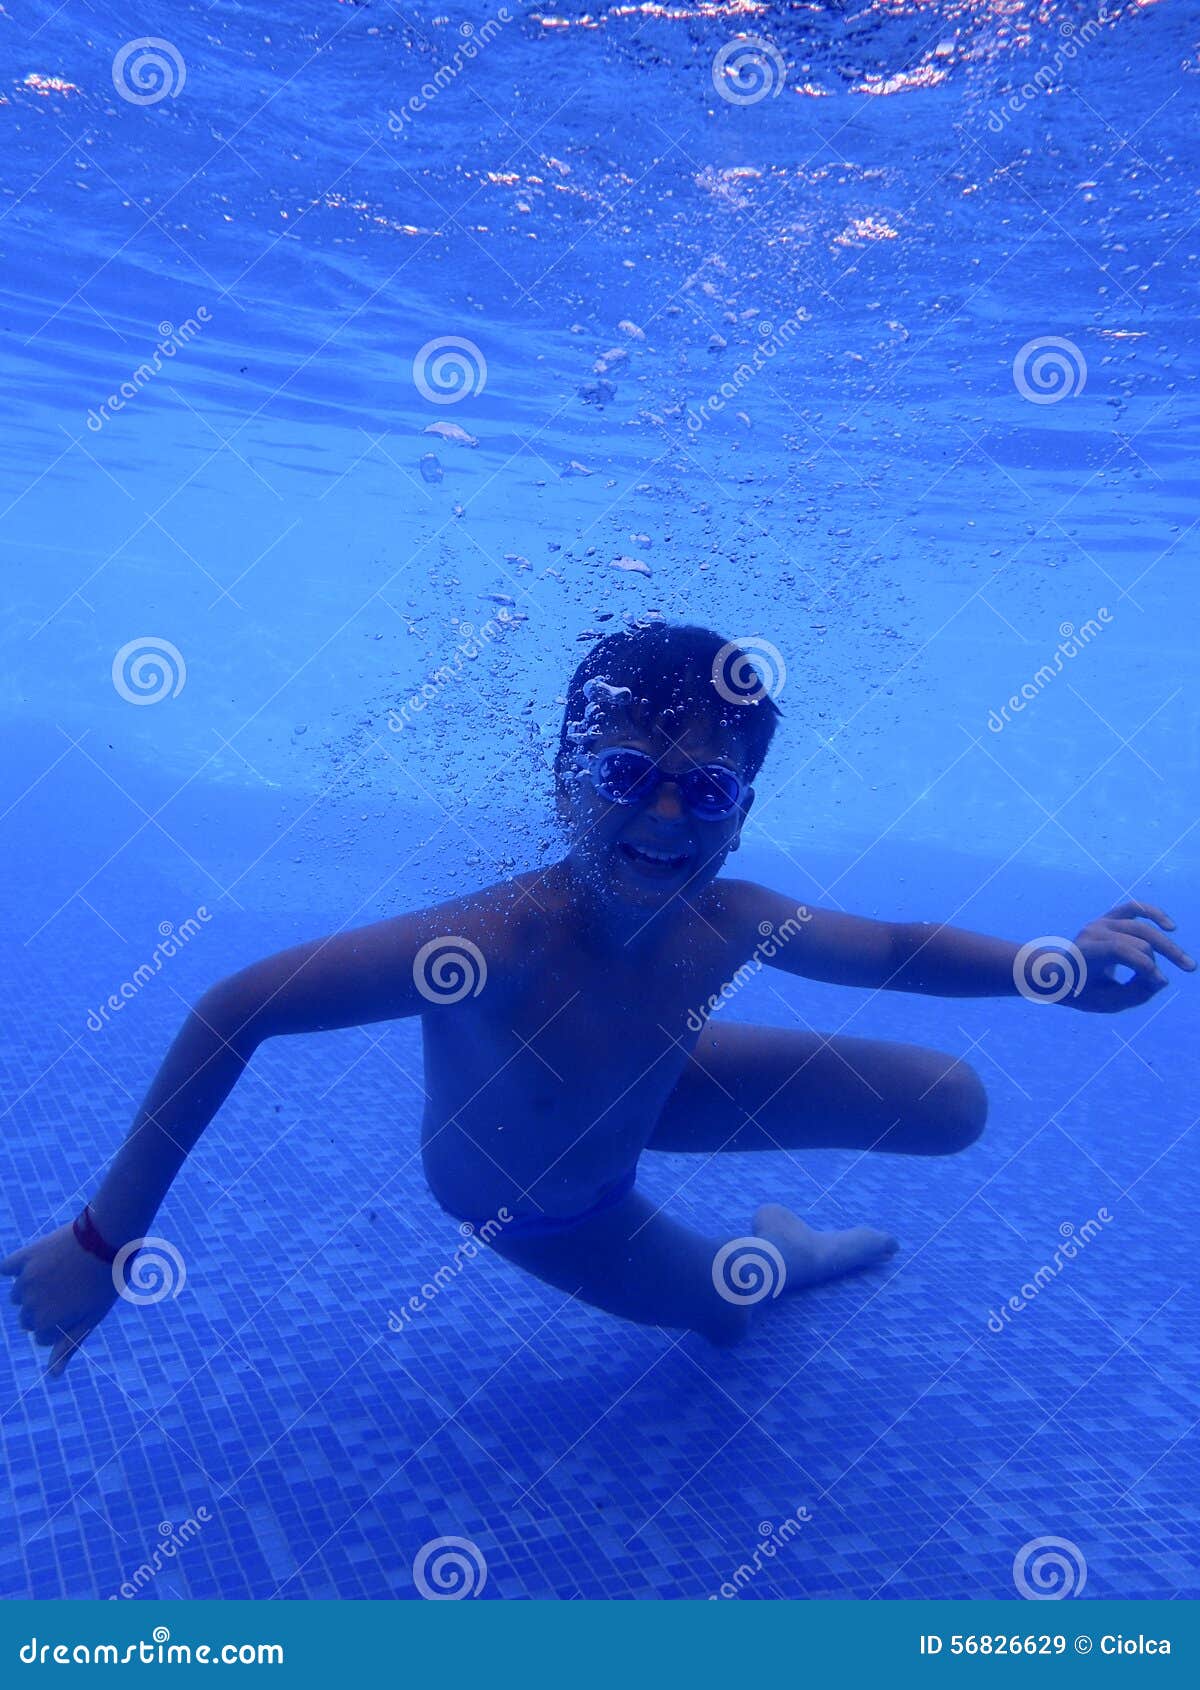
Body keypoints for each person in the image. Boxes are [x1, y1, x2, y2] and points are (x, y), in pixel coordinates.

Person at [5, 624, 1193, 1371]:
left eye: (708, 791)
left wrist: (1062, 970)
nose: (665, 819)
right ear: (567, 780)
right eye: (629, 775)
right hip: (549, 1204)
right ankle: (788, 1252)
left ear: (745, 806)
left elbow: (890, 943)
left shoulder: (727, 915)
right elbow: (234, 1009)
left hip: (652, 1084)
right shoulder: (492, 941)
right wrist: (106, 1239)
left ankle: (765, 1225)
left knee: (953, 1104)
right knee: (727, 1313)